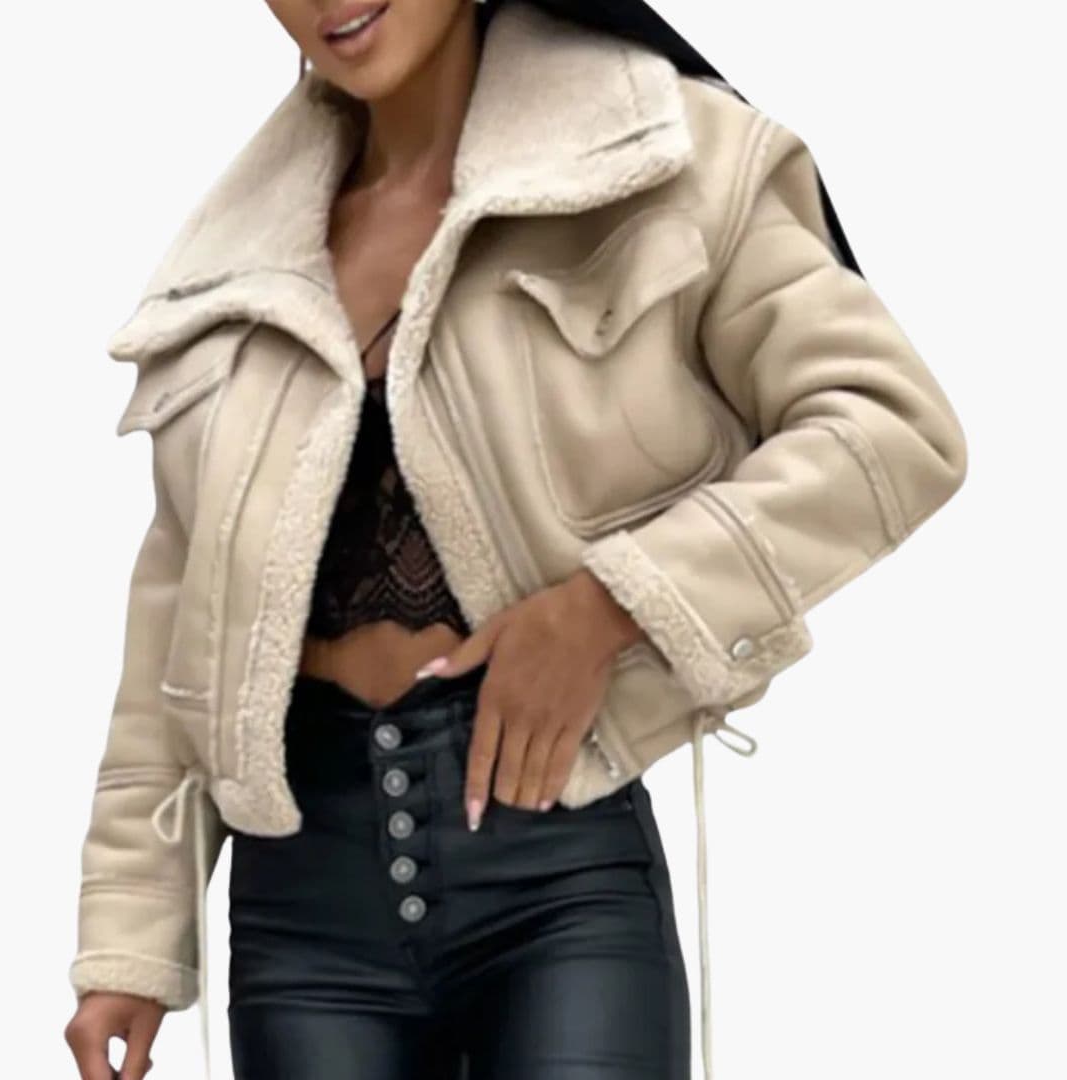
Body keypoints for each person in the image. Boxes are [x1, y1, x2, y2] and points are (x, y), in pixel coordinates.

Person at [63, 1, 968, 1078]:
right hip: (300, 915)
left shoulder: (663, 154)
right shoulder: (229, 265)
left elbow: (890, 427)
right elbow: (178, 621)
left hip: (558, 875)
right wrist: (129, 937)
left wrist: (609, 606)